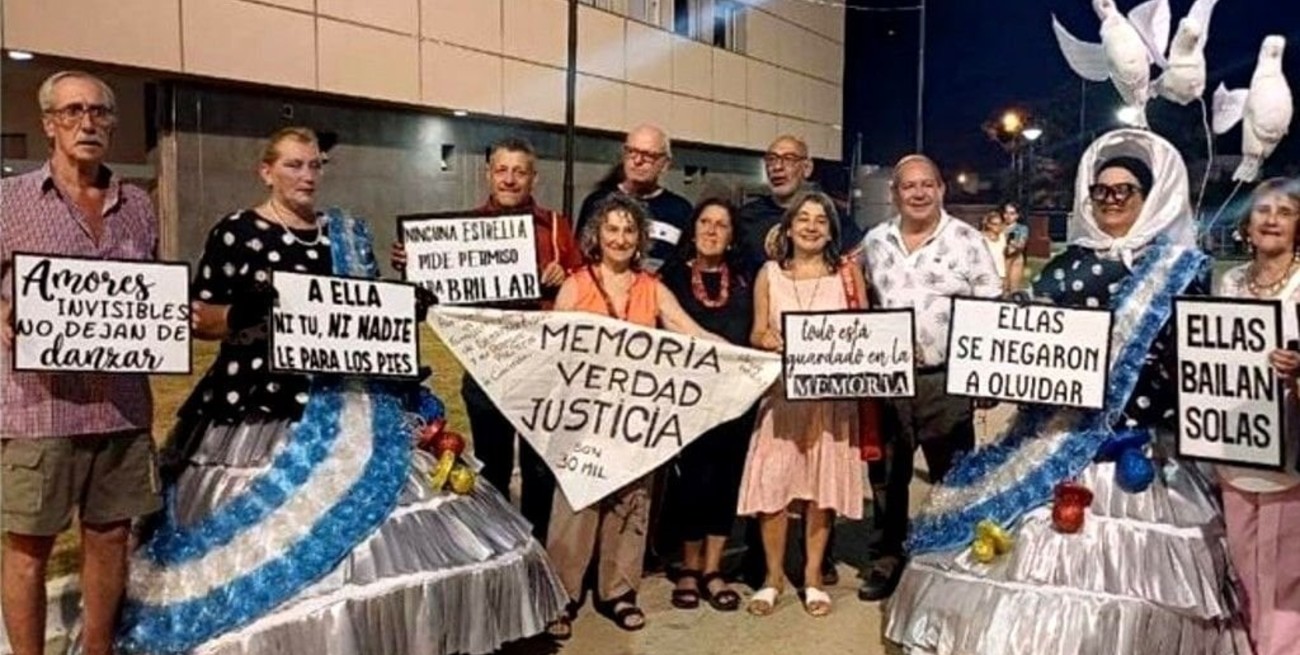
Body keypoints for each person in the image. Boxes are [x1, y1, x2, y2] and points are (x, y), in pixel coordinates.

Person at [117, 128, 568, 654]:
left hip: (351, 393)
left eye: (313, 165)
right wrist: (248, 310)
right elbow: (205, 319)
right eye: (292, 165)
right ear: (267, 171)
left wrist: (407, 301)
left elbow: (366, 309)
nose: (306, 176)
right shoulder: (238, 232)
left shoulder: (346, 232)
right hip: (264, 400)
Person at [884, 129, 1246, 655]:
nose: (1111, 201)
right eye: (1101, 192)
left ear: (1148, 198)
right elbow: (1025, 330)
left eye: (1124, 191)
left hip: (1138, 444)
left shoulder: (1183, 269)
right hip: (1059, 434)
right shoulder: (1071, 262)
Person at [0, 71, 162, 655]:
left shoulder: (139, 204)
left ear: (113, 124)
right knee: (28, 545)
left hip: (120, 406)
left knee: (111, 537)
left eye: (99, 112)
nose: (87, 123)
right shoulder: (9, 201)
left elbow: (149, 288)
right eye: (71, 112)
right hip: (40, 408)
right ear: (48, 124)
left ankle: (96, 649)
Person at [545, 194, 721, 637]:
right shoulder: (577, 285)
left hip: (633, 424)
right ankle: (561, 595)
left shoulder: (652, 288)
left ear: (640, 239)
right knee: (575, 507)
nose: (620, 239)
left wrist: (743, 359)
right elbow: (550, 346)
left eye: (629, 231)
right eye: (612, 230)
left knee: (631, 505)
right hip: (583, 420)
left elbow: (690, 333)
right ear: (597, 236)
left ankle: (618, 592)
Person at [394, 136, 583, 543]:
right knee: (492, 465)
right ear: (488, 174)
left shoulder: (556, 227)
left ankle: (538, 552)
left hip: (541, 367)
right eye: (502, 170)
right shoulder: (461, 229)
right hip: (485, 366)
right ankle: (499, 549)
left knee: (539, 469)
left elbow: (583, 288)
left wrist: (564, 277)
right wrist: (418, 266)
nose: (510, 179)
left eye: (519, 171)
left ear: (534, 177)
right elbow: (432, 300)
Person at [857, 155, 1003, 602]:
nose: (918, 193)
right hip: (888, 380)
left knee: (952, 475)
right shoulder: (874, 241)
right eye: (908, 186)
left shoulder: (968, 240)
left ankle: (952, 557)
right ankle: (888, 557)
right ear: (894, 194)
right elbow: (856, 298)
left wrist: (986, 376)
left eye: (927, 185)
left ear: (941, 189)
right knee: (887, 477)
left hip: (947, 379)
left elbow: (992, 309)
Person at [735, 135, 857, 587]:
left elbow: (861, 333)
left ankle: (810, 575)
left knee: (819, 493)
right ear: (787, 228)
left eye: (819, 220)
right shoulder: (770, 274)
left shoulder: (845, 275)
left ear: (830, 229)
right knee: (774, 489)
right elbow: (757, 331)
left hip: (828, 400)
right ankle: (771, 577)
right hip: (781, 397)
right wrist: (770, 339)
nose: (810, 226)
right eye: (801, 219)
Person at [657, 198, 757, 613]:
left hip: (737, 402)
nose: (713, 231)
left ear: (733, 235)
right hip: (688, 402)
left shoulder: (748, 280)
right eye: (705, 222)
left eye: (722, 225)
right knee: (691, 483)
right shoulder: (670, 278)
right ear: (692, 229)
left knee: (725, 482)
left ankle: (714, 570)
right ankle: (688, 567)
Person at [1216, 177, 1300, 655]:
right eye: (1262, 211)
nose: (1271, 220)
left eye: (1284, 212)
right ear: (1247, 223)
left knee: (1287, 570)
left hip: (1290, 448)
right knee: (1246, 562)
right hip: (1234, 445)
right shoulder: (1229, 283)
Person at [576, 124, 692, 273]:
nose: (637, 161)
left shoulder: (680, 211)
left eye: (648, 155)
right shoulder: (597, 202)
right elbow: (580, 258)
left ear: (665, 164)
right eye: (631, 152)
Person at [1001, 201, 1029, 292]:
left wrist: (1013, 243)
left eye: (1012, 213)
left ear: (1017, 215)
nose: (1008, 216)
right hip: (1001, 257)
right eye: (1006, 213)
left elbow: (1022, 244)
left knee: (1014, 288)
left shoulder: (1022, 228)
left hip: (1015, 257)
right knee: (1002, 287)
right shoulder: (999, 227)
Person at [981, 209, 1010, 291]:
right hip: (987, 274)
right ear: (988, 225)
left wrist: (1005, 276)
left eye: (1000, 224)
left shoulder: (1003, 237)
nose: (998, 227)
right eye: (995, 224)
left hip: (1001, 274)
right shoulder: (981, 238)